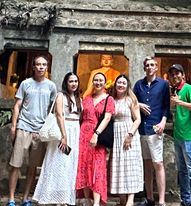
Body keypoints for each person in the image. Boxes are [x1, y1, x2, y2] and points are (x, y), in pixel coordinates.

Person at [7, 55, 57, 206]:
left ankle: (25, 198)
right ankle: (11, 198)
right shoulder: (25, 84)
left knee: (33, 166)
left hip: (39, 130)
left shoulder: (51, 86)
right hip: (23, 126)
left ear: (47, 68)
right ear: (33, 67)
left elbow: (52, 109)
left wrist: (46, 129)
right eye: (38, 65)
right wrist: (14, 126)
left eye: (43, 65)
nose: (41, 67)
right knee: (16, 164)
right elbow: (17, 106)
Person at [33, 72, 82, 206]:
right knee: (59, 163)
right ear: (66, 83)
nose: (73, 84)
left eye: (76, 81)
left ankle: (65, 198)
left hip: (75, 131)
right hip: (63, 130)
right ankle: (53, 196)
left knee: (70, 165)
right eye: (71, 81)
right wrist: (64, 136)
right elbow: (60, 115)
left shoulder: (78, 98)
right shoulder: (61, 96)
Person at [133, 57, 170, 206]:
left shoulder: (163, 84)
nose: (149, 67)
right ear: (144, 68)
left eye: (152, 65)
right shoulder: (139, 85)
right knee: (146, 164)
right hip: (142, 129)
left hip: (156, 128)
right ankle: (150, 198)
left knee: (158, 163)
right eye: (147, 65)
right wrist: (139, 104)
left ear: (156, 67)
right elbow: (131, 100)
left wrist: (163, 122)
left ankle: (161, 201)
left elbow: (166, 106)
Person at [76, 72, 115, 206]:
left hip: (98, 134)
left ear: (105, 83)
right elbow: (81, 117)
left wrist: (96, 133)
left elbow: (107, 117)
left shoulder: (109, 99)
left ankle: (96, 202)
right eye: (95, 80)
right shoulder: (86, 98)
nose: (98, 83)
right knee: (84, 166)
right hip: (83, 135)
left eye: (101, 81)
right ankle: (87, 199)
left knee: (97, 167)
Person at [168, 64, 191, 206]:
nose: (175, 76)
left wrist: (179, 102)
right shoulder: (175, 91)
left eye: (177, 73)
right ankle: (185, 199)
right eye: (172, 74)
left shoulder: (189, 89)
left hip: (189, 135)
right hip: (178, 136)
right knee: (182, 170)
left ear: (183, 75)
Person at [109, 75, 144, 206]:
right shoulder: (111, 100)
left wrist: (130, 135)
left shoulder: (131, 100)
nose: (121, 85)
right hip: (116, 136)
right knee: (118, 166)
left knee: (131, 166)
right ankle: (122, 199)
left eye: (124, 83)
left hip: (129, 134)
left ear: (127, 85)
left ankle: (130, 200)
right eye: (119, 82)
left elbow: (137, 119)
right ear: (115, 84)